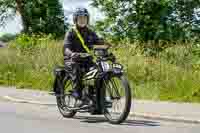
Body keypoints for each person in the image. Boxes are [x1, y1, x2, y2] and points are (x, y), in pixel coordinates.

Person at [63, 7, 107, 100]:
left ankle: (93, 95)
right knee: (77, 69)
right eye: (80, 18)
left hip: (87, 60)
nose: (83, 20)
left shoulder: (90, 32)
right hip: (72, 60)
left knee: (97, 71)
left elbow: (98, 42)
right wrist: (71, 54)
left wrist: (105, 44)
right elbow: (66, 48)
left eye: (85, 18)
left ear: (87, 19)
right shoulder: (71, 32)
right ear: (76, 19)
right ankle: (77, 93)